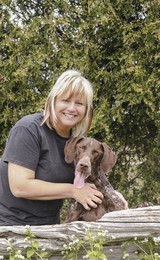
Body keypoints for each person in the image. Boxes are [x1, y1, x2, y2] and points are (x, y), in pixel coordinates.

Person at [0, 69, 103, 226]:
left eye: (79, 103)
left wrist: (112, 195)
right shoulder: (29, 129)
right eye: (66, 100)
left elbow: (88, 180)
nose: (71, 108)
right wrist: (73, 191)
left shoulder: (77, 143)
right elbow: (20, 187)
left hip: (49, 227)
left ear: (86, 109)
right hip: (9, 226)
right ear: (53, 101)